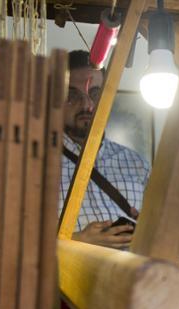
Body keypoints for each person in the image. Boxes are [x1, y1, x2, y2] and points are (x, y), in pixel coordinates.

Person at [60, 50, 151, 249]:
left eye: (94, 94)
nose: (87, 105)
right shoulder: (32, 166)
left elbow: (161, 237)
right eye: (71, 95)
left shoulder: (138, 165)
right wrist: (76, 241)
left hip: (131, 278)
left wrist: (151, 231)